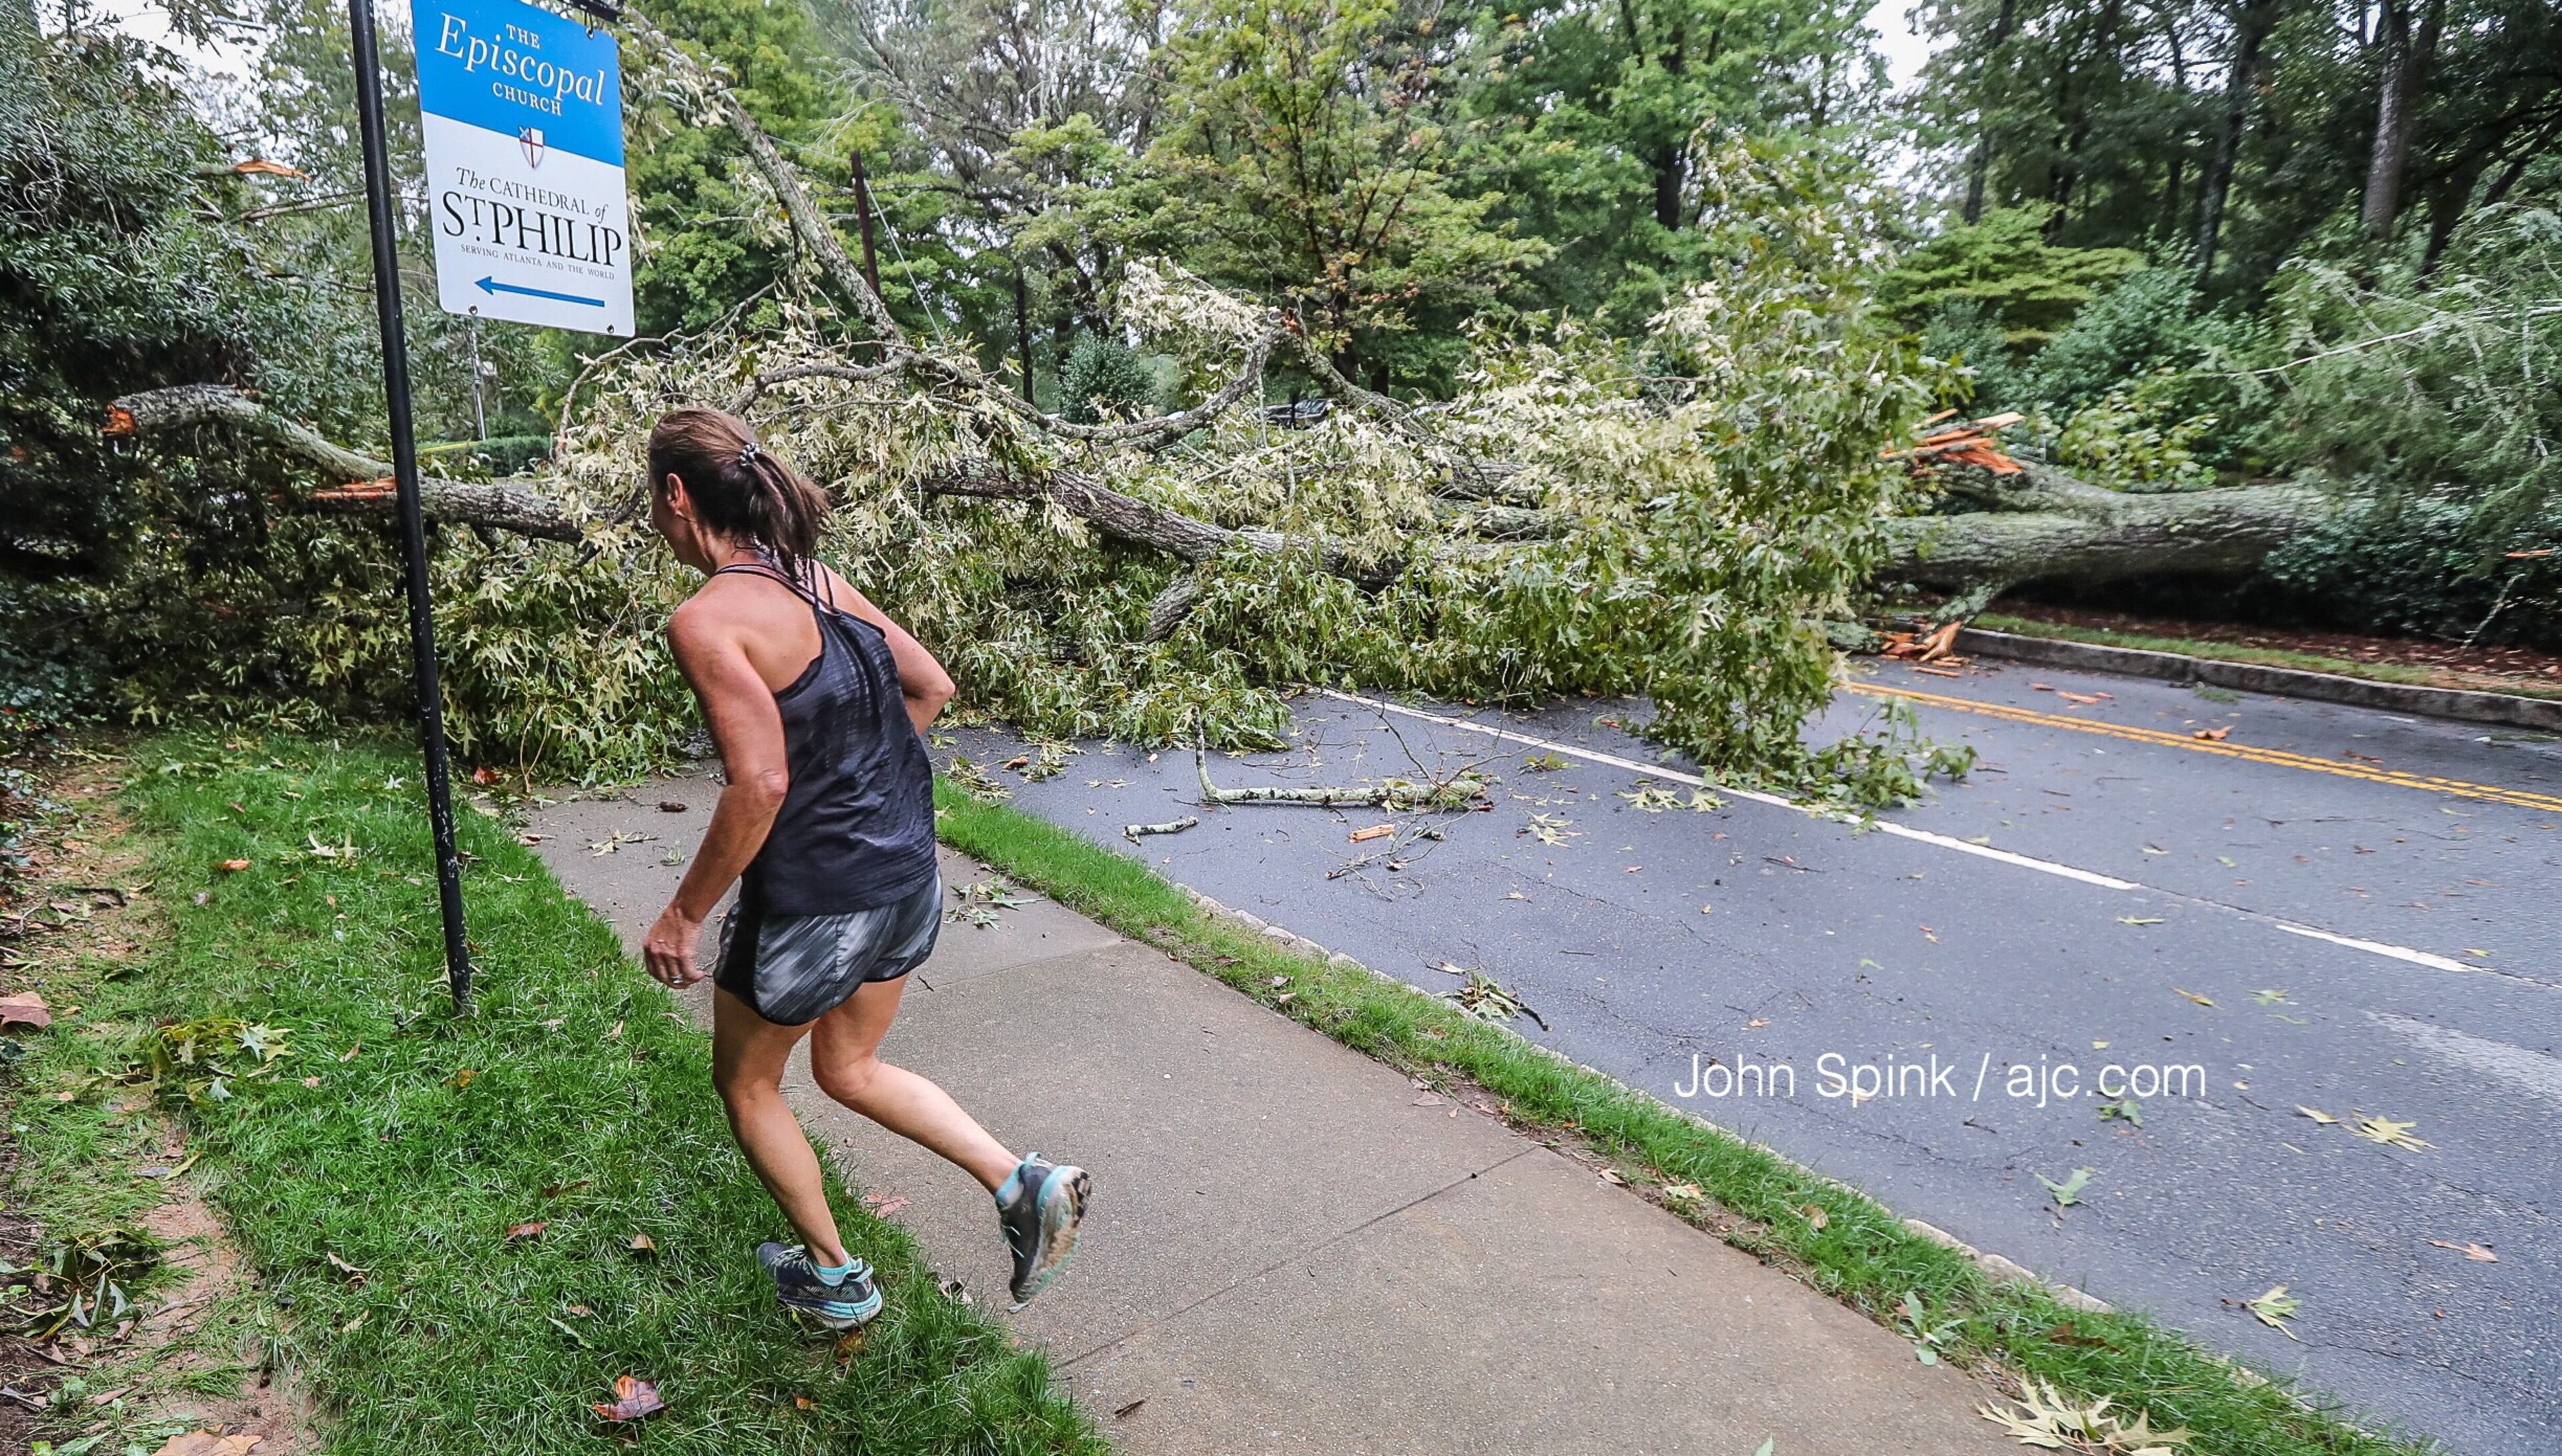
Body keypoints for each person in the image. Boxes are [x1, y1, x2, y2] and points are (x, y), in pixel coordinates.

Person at [635, 406, 1088, 1329]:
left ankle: (836, 1281)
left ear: (677, 496)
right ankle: (1021, 1183)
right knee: (848, 1066)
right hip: (904, 879)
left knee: (749, 1083)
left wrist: (684, 916)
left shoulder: (708, 619)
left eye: (653, 500)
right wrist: (855, 783)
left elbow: (759, 783)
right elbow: (932, 685)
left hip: (813, 903)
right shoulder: (816, 577)